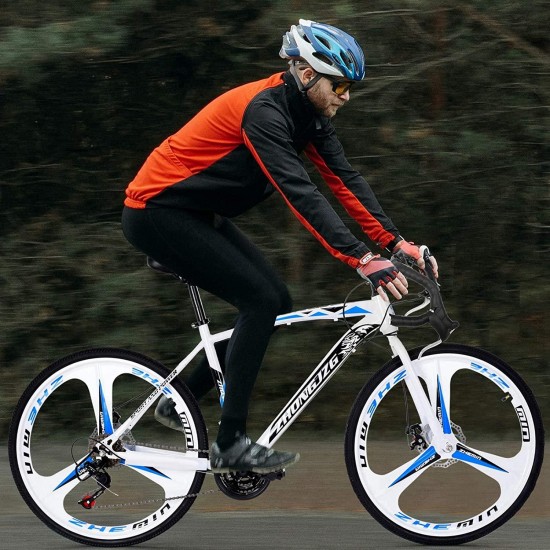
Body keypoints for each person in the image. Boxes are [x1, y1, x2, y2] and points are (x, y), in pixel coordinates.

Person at [121, 19, 438, 474]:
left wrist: (395, 242)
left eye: (351, 88)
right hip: (156, 211)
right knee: (260, 300)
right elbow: (298, 190)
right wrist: (361, 257)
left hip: (194, 214)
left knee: (276, 300)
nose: (346, 97)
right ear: (306, 74)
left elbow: (344, 180)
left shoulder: (309, 115)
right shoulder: (264, 112)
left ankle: (182, 400)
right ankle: (230, 444)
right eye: (339, 85)